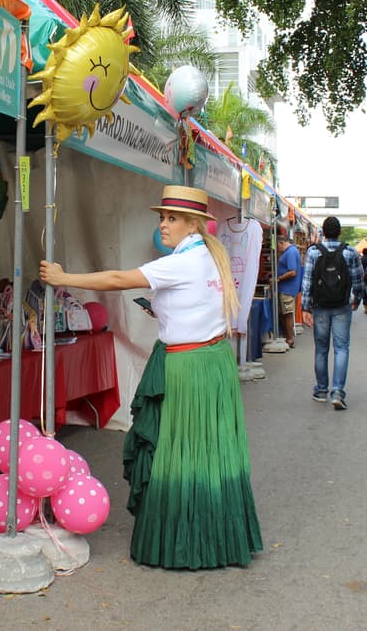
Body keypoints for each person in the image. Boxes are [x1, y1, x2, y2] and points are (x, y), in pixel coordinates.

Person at [39, 185, 262, 569]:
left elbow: (117, 279)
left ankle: (187, 542)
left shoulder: (182, 262)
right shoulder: (212, 256)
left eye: (172, 218)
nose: (163, 224)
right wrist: (164, 312)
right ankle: (218, 539)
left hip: (189, 365)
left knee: (181, 454)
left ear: (194, 224)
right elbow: (199, 306)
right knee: (212, 452)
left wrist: (63, 276)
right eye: (162, 217)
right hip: (213, 361)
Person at [301, 216, 366, 410]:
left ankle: (321, 390)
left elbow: (307, 281)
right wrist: (357, 299)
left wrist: (305, 307)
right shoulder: (350, 252)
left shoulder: (313, 252)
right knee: (341, 348)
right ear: (340, 232)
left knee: (321, 349)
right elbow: (358, 279)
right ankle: (337, 392)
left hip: (320, 306)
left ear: (323, 231)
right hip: (342, 306)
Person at [276, 233, 301, 348]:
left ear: (281, 243)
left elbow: (292, 272)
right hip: (286, 288)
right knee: (284, 313)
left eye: (278, 246)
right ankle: (287, 336)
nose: (277, 249)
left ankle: (289, 339)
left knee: (287, 313)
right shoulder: (290, 251)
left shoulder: (290, 252)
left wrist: (279, 278)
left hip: (288, 288)